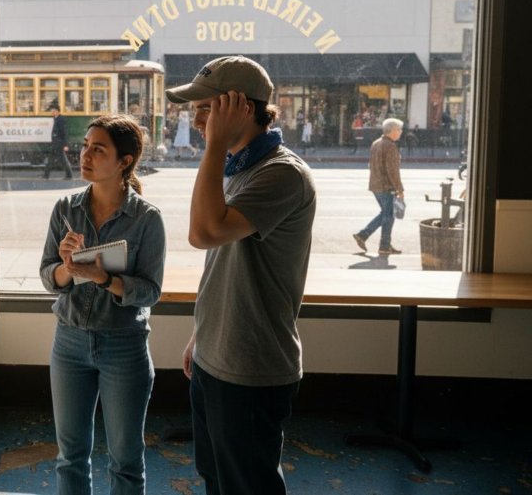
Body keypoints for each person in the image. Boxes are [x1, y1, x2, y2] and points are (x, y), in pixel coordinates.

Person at [166, 55, 317, 495]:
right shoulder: (238, 166)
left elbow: (204, 233)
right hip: (217, 353)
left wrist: (215, 145)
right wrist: (202, 334)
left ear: (241, 109)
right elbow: (225, 263)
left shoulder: (281, 173)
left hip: (250, 366)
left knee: (248, 486)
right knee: (216, 478)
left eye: (205, 109)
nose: (197, 122)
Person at [40, 114, 166, 495]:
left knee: (125, 462)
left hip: (124, 345)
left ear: (124, 162)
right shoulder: (65, 209)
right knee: (70, 457)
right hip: (70, 341)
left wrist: (104, 279)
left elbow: (150, 291)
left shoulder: (147, 219)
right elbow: (48, 276)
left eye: (98, 149)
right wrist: (66, 269)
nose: (85, 155)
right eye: (85, 146)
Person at [353, 118, 405, 255]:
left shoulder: (376, 143)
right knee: (389, 216)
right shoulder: (391, 146)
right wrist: (400, 190)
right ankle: (383, 245)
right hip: (386, 187)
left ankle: (365, 236)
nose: (400, 132)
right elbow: (393, 171)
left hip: (375, 185)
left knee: (385, 214)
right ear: (392, 131)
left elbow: (370, 165)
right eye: (399, 129)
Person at [44, 103, 74, 180]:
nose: (52, 112)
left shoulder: (61, 119)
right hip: (55, 143)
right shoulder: (55, 119)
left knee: (63, 160)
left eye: (53, 110)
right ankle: (46, 175)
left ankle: (69, 175)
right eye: (51, 111)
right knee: (50, 159)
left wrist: (65, 145)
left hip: (59, 144)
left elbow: (64, 133)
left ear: (57, 111)